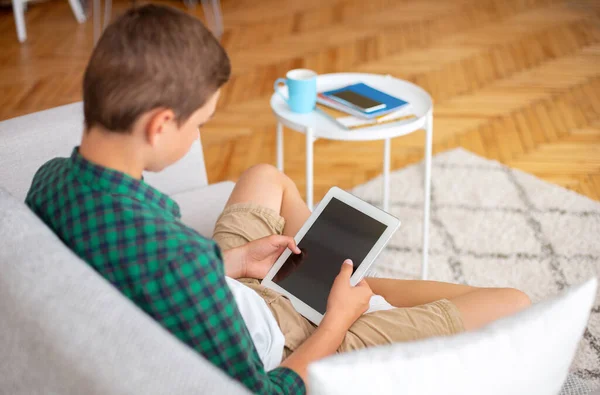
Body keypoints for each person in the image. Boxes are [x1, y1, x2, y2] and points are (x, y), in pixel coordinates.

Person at [25, 5, 531, 394]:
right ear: (160, 124)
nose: (198, 132)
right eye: (199, 123)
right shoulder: (183, 261)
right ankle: (350, 294)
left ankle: (342, 283)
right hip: (283, 341)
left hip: (227, 291)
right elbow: (271, 390)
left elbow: (149, 267)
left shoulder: (51, 182)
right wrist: (335, 321)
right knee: (516, 304)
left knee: (265, 174)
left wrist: (237, 260)